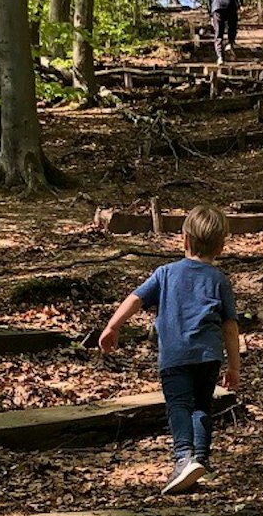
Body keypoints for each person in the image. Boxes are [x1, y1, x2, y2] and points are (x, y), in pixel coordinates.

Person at [98, 205, 243, 495]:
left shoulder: (165, 273)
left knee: (179, 406)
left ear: (185, 240)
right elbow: (230, 327)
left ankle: (183, 459)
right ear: (221, 246)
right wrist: (234, 366)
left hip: (175, 356)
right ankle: (200, 461)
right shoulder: (219, 280)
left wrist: (112, 326)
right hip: (208, 355)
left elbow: (136, 299)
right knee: (201, 405)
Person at [206, 0, 241, 64]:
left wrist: (210, 12)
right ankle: (230, 42)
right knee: (232, 25)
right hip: (230, 3)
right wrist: (240, 4)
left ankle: (220, 57)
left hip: (217, 6)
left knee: (218, 33)